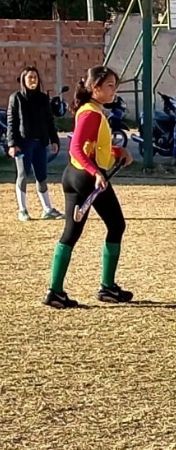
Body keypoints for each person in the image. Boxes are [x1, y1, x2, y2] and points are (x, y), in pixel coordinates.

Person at [45, 65, 135, 308]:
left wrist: (118, 151)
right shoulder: (91, 114)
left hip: (78, 175)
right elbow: (75, 148)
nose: (113, 90)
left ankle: (64, 291)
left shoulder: (93, 110)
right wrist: (96, 172)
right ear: (95, 88)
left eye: (114, 86)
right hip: (86, 179)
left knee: (88, 230)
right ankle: (99, 288)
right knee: (111, 226)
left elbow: (93, 146)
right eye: (109, 86)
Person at [6, 66, 63, 221]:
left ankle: (47, 209)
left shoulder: (43, 99)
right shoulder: (16, 98)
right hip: (23, 143)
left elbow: (49, 121)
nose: (33, 80)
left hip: (40, 143)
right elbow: (11, 122)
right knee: (23, 175)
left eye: (35, 77)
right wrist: (12, 144)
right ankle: (23, 210)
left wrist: (54, 139)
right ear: (24, 80)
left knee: (42, 176)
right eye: (30, 77)